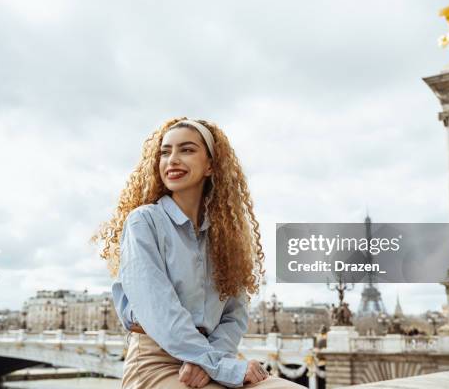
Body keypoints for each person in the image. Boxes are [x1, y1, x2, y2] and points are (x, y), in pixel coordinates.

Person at [94, 118, 303, 388]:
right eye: (165, 152)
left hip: (210, 356)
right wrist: (216, 365)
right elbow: (160, 312)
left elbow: (234, 315)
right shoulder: (143, 222)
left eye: (187, 150)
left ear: (210, 166)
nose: (173, 159)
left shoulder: (226, 236)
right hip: (156, 362)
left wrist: (208, 361)